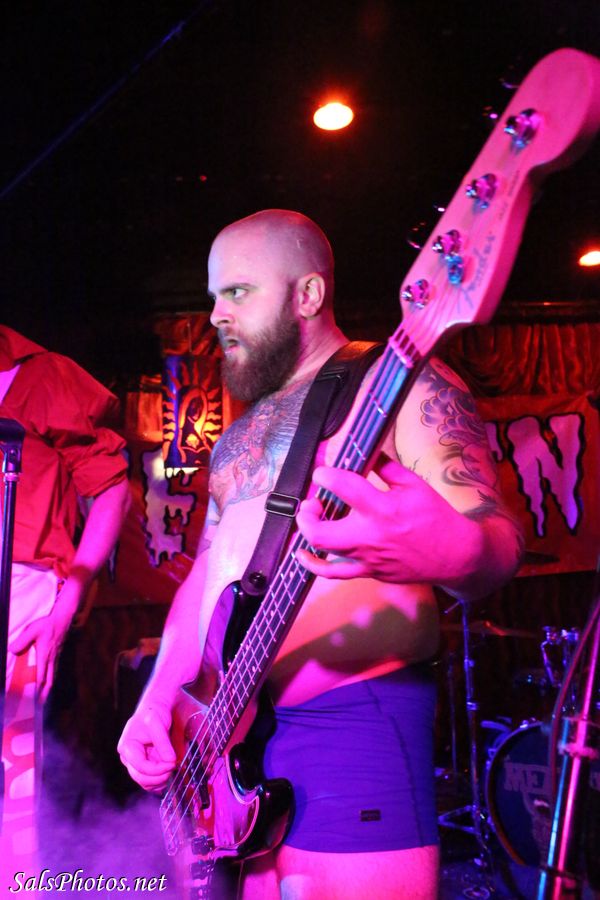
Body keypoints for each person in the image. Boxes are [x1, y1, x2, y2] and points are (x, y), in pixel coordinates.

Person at [118, 209, 522, 899]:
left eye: (237, 292)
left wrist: (453, 551)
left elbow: (497, 537)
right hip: (233, 736)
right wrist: (156, 703)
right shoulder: (236, 440)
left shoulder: (399, 382)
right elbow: (206, 583)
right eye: (215, 296)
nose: (216, 314)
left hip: (351, 720)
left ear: (307, 294)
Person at [0, 325, 130, 881]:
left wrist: (67, 601)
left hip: (20, 598)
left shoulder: (41, 375)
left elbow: (111, 488)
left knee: (13, 796)